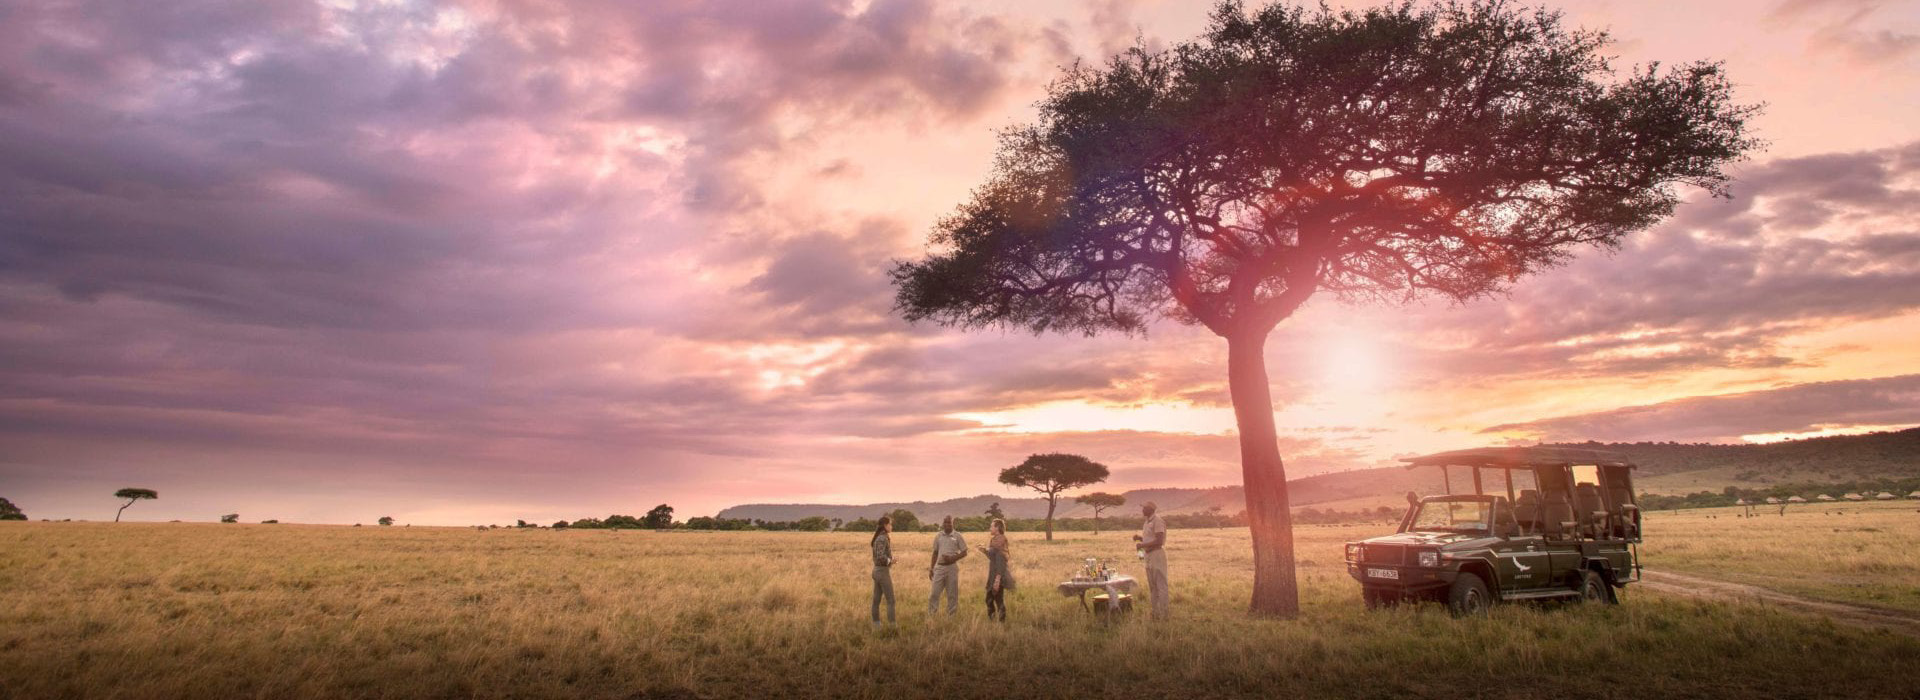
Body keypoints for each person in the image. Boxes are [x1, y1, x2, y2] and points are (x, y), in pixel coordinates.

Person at [1133, 501, 1169, 620]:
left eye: (1144, 508)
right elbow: (1151, 538)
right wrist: (1140, 539)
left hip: (1157, 554)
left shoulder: (1157, 520)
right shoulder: (1147, 522)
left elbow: (1158, 541)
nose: (1142, 510)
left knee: (1161, 585)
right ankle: (1155, 613)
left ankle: (1164, 615)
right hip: (1148, 555)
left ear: (1150, 509)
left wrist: (1142, 545)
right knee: (1152, 586)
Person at [927, 515, 967, 617]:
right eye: (945, 522)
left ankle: (951, 616)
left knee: (952, 594)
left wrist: (953, 558)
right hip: (939, 568)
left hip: (952, 568)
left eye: (949, 522)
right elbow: (935, 553)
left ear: (953, 524)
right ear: (943, 524)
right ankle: (932, 615)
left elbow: (964, 552)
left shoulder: (957, 536)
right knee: (934, 593)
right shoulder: (938, 536)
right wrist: (931, 568)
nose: (947, 525)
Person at [975, 518, 1015, 621]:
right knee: (991, 599)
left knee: (996, 599)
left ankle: (1000, 623)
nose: (990, 528)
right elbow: (993, 557)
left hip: (998, 574)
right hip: (993, 573)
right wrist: (984, 551)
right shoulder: (994, 540)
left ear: (997, 528)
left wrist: (997, 580)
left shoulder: (1000, 540)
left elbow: (1001, 561)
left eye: (991, 526)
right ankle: (994, 621)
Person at [870, 515, 895, 627]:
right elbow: (880, 557)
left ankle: (877, 625)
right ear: (885, 525)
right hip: (882, 572)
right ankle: (892, 626)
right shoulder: (882, 538)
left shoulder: (880, 537)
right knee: (891, 600)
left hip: (877, 571)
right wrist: (891, 560)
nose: (891, 526)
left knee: (876, 600)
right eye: (890, 524)